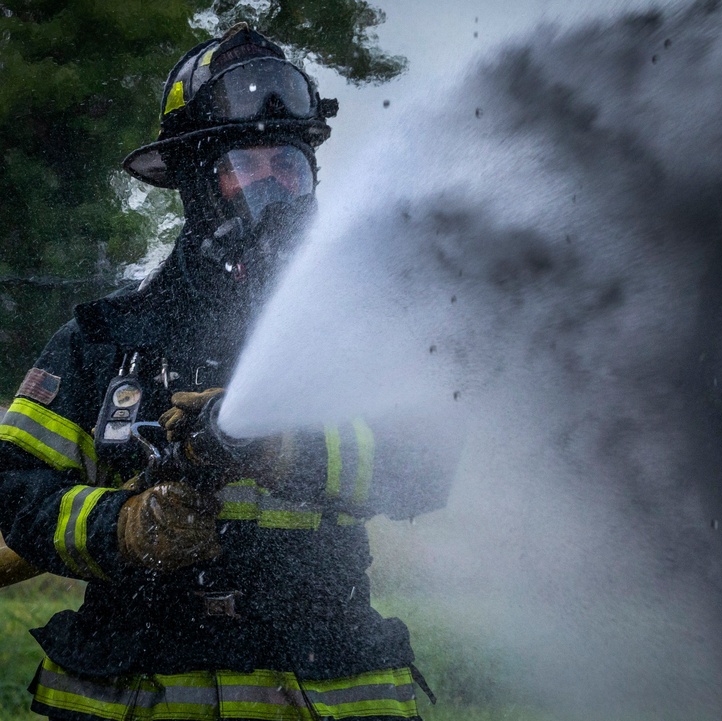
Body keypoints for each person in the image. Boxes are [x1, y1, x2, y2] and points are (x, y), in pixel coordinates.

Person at [0, 23, 451, 721]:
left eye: (290, 164)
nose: (274, 186)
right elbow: (15, 491)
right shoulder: (106, 341)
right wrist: (120, 525)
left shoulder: (359, 335)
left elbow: (427, 465)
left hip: (322, 694)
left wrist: (289, 450)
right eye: (249, 162)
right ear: (193, 181)